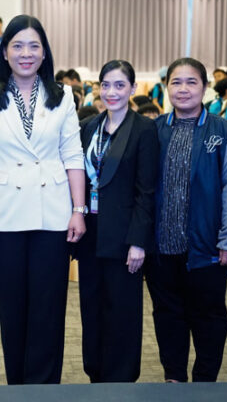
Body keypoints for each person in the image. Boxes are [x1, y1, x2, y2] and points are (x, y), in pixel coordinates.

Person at [0, 14, 85, 385]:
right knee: (13, 308)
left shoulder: (63, 94)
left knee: (49, 308)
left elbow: (73, 155)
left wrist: (78, 209)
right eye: (17, 45)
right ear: (4, 53)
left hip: (53, 214)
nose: (26, 53)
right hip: (3, 216)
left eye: (34, 45)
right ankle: (17, 387)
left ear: (44, 52)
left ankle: (45, 388)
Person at [146, 57, 227, 383]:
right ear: (167, 88)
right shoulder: (154, 130)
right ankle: (174, 377)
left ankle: (205, 381)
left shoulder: (223, 131)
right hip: (161, 250)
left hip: (207, 249)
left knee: (208, 318)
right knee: (167, 316)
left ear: (204, 88)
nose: (183, 89)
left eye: (191, 82)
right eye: (176, 82)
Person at [74, 60, 158, 383]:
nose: (111, 92)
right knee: (91, 308)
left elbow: (146, 191)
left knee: (121, 311)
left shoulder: (144, 130)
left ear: (133, 89)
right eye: (105, 85)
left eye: (120, 85)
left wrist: (139, 241)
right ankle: (95, 373)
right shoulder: (90, 127)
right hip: (92, 233)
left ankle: (121, 377)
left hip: (124, 239)